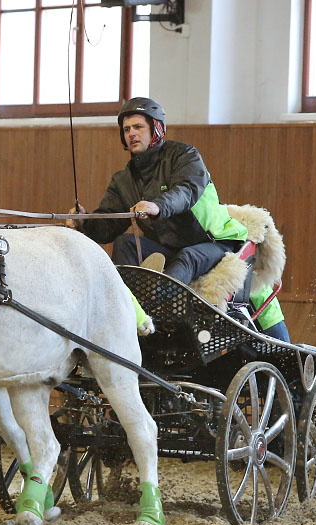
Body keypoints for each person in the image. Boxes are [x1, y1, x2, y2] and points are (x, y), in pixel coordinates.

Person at [69, 97, 289, 342]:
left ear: (156, 129)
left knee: (188, 257)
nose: (131, 134)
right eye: (126, 129)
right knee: (125, 243)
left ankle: (154, 315)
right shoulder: (123, 180)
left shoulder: (185, 155)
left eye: (138, 127)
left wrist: (157, 206)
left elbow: (186, 191)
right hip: (170, 247)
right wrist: (84, 223)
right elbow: (107, 225)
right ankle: (124, 308)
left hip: (215, 243)